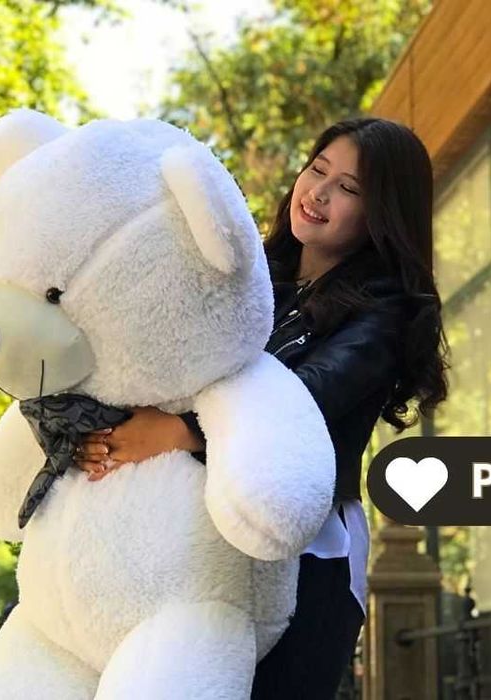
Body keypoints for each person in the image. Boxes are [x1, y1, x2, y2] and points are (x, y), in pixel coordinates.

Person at [76, 117, 450, 699]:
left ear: (383, 213)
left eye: (348, 188)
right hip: (202, 536)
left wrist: (178, 431)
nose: (319, 192)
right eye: (317, 170)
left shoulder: (386, 308)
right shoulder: (251, 277)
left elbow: (306, 396)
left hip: (309, 549)